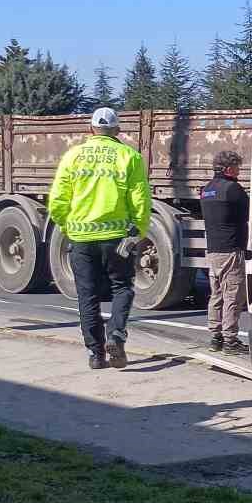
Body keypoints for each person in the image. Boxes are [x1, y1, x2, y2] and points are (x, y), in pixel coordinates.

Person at [47, 107, 151, 370]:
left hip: (81, 237)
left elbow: (58, 199)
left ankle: (95, 354)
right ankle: (116, 334)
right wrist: (138, 231)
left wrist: (66, 226)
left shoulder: (73, 156)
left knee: (87, 295)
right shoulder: (129, 156)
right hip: (116, 238)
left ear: (90, 130)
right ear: (117, 131)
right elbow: (140, 200)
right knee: (122, 287)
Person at [200, 150, 249, 353]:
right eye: (237, 167)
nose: (239, 171)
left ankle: (215, 337)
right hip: (230, 249)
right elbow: (248, 213)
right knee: (233, 295)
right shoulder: (233, 189)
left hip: (213, 250)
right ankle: (231, 340)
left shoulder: (206, 189)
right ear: (229, 169)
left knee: (217, 293)